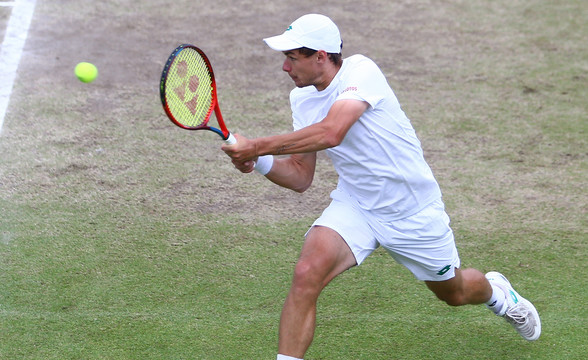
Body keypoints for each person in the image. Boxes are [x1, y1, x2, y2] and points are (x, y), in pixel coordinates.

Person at [220, 14, 541, 360]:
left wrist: (257, 146)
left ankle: (498, 294)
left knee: (455, 292)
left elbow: (332, 132)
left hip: (412, 211)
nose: (284, 68)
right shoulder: (303, 100)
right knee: (306, 273)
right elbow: (300, 176)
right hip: (356, 205)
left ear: (321, 56)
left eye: (292, 58)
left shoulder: (360, 72)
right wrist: (260, 163)